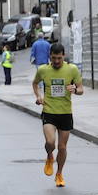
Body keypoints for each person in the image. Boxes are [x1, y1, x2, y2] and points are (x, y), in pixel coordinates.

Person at [32, 43, 83, 187]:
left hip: (66, 113)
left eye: (59, 58)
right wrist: (39, 96)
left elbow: (81, 89)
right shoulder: (43, 70)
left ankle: (59, 173)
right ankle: (49, 156)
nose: (56, 61)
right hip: (49, 112)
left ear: (64, 56)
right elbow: (35, 83)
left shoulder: (72, 69)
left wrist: (75, 89)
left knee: (62, 147)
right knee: (50, 142)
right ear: (50, 56)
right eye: (53, 58)